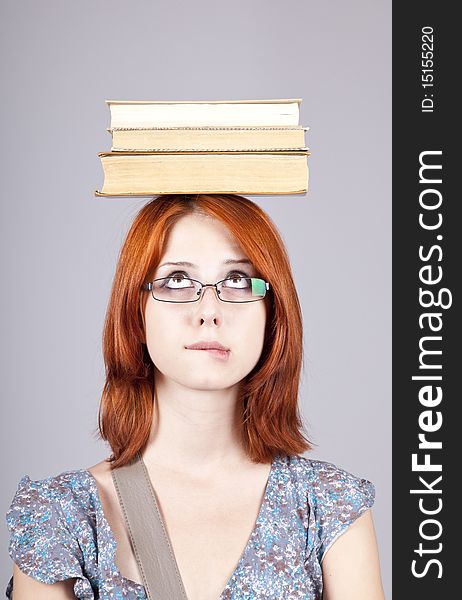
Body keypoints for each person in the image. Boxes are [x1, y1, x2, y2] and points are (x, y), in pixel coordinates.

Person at [5, 194, 385, 600]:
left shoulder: (329, 506)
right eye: (177, 280)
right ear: (136, 311)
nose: (209, 311)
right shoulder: (59, 517)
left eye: (237, 279)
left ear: (273, 312)